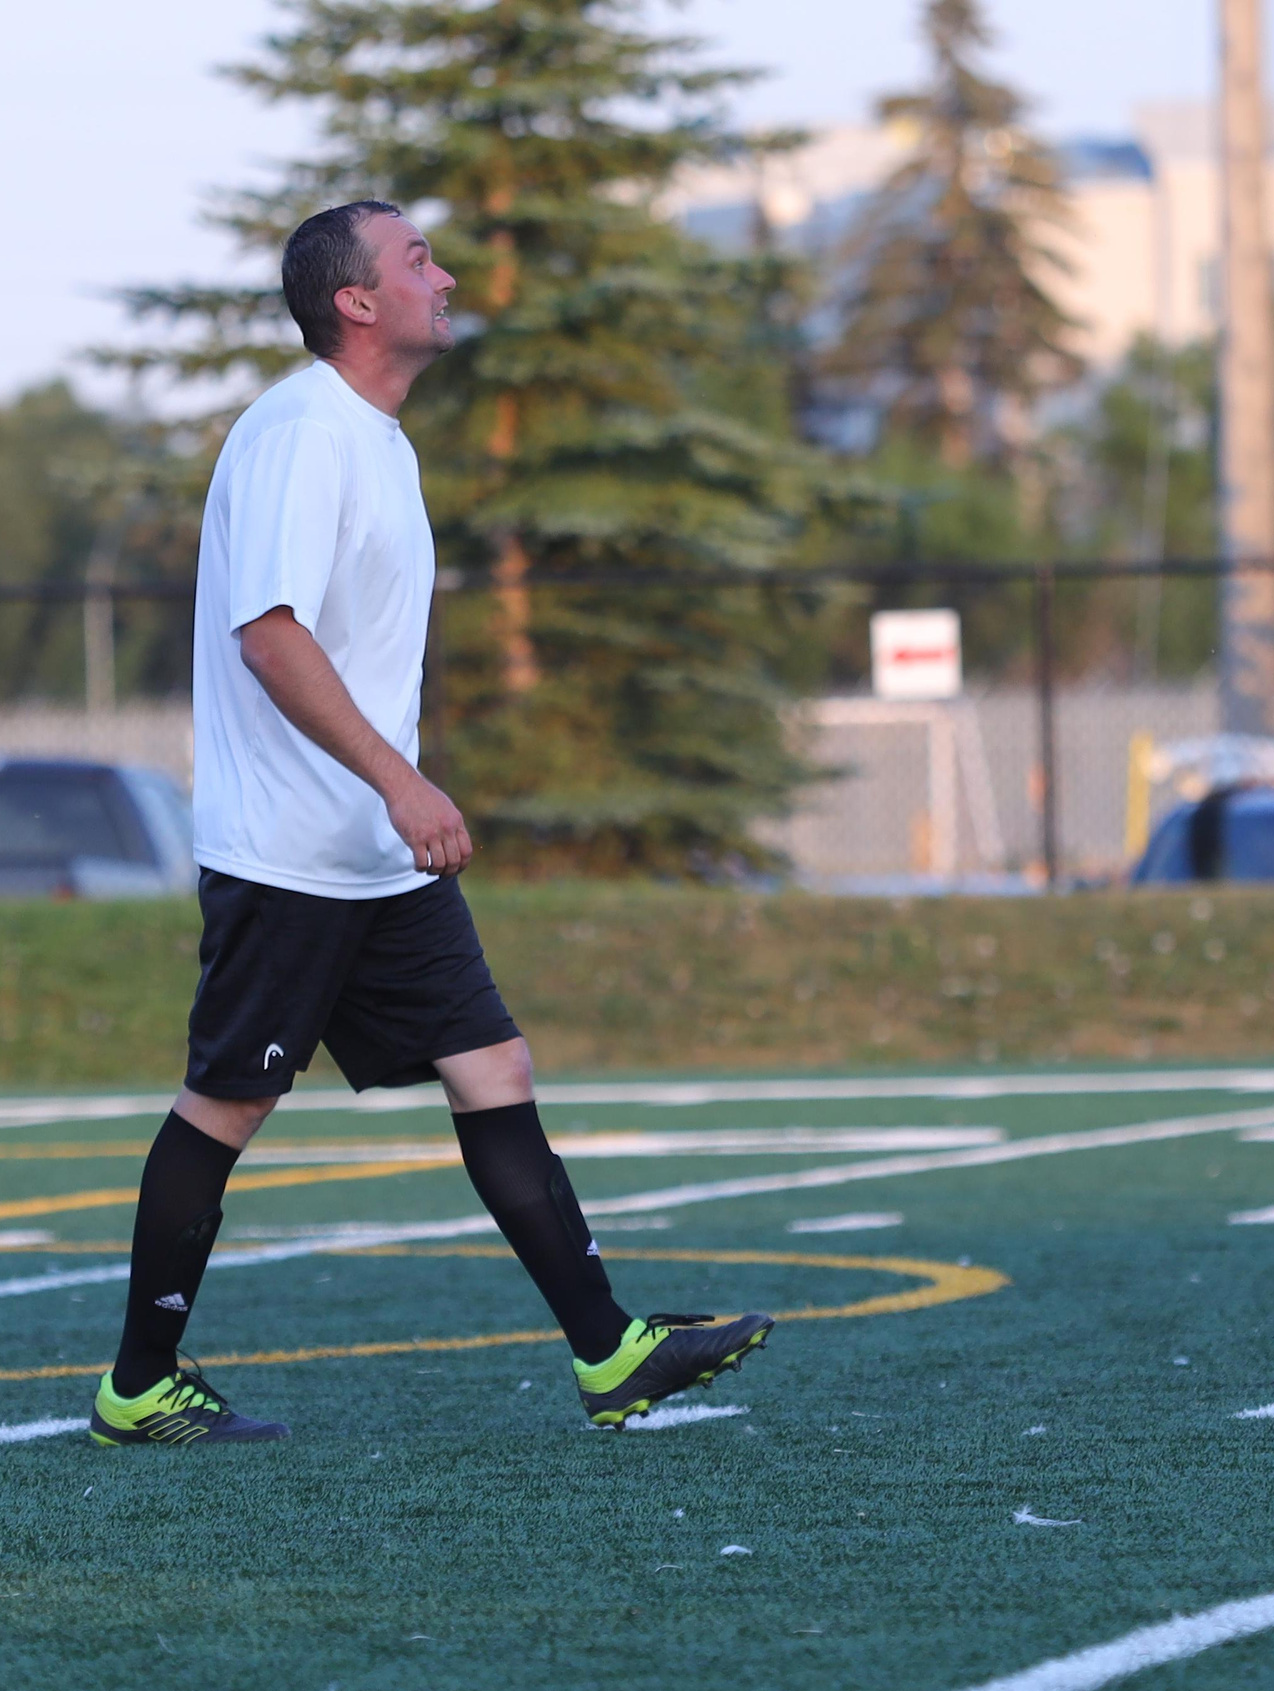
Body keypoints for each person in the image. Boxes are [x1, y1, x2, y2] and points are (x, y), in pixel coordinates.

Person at [90, 202, 773, 1445]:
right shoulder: (303, 433)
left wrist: (393, 799)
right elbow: (270, 636)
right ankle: (139, 1384)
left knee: (492, 1069)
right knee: (224, 1107)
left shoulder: (380, 443)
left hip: (374, 855)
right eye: (417, 261)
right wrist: (399, 781)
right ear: (355, 302)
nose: (444, 276)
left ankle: (606, 1352)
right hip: (293, 849)